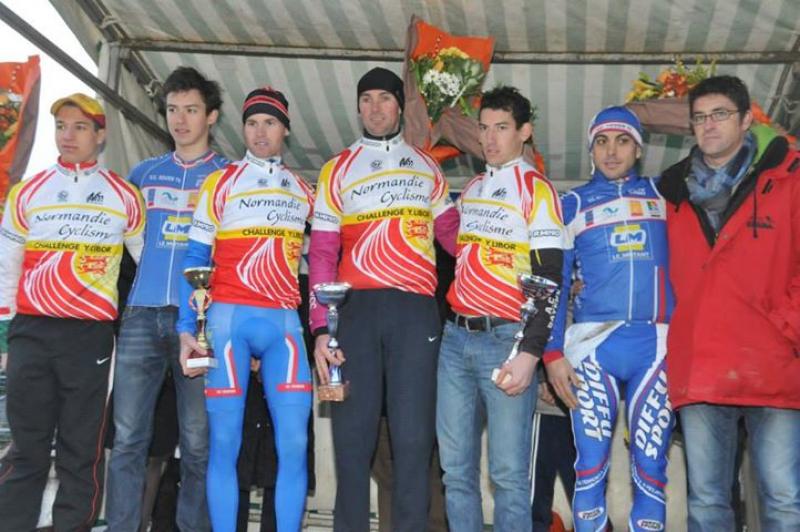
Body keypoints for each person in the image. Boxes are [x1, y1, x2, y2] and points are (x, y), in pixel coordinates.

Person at [309, 66, 459, 531]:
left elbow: (456, 239)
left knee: (414, 440)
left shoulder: (427, 166)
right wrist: (320, 328)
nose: (375, 108)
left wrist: (508, 254)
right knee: (353, 441)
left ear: (400, 106)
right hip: (354, 313)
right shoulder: (336, 168)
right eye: (366, 99)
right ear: (358, 107)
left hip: (415, 313)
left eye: (385, 98)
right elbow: (322, 253)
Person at [657, 75, 800, 531]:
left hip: (773, 361)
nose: (708, 125)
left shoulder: (789, 178)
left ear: (745, 120)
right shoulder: (671, 193)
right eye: (699, 117)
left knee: (783, 500)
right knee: (706, 503)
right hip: (702, 365)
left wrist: (787, 327)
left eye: (719, 114)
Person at [0, 93, 145, 530]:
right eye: (62, 126)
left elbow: (146, 265)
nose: (68, 135)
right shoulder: (27, 191)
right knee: (26, 447)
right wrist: (5, 337)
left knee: (81, 450)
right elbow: (7, 267)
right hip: (31, 330)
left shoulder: (125, 195)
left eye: (80, 127)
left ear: (100, 135)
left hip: (90, 336)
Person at [177, 86, 314, 532]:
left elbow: (324, 252)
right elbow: (194, 259)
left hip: (283, 322)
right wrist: (186, 329)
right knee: (224, 444)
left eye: (270, 122)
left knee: (294, 444)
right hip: (227, 320)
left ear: (285, 130)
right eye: (252, 123)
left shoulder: (303, 190)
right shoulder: (220, 182)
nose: (260, 131)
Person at [436, 85, 568, 532]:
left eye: (502, 128)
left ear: (525, 132)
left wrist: (531, 352)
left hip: (507, 340)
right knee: (456, 472)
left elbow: (549, 276)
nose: (489, 139)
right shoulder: (473, 187)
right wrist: (433, 202)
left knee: (509, 476)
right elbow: (460, 249)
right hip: (455, 340)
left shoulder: (538, 189)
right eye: (484, 128)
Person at [106, 65, 227, 532]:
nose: (180, 119)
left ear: (211, 116)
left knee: (197, 443)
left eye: (191, 110)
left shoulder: (227, 176)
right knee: (128, 440)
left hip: (200, 321)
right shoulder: (142, 174)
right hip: (141, 315)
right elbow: (122, 247)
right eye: (173, 109)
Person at [546, 105, 674, 532]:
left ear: (639, 148)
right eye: (601, 142)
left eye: (622, 141)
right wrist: (552, 353)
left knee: (651, 465)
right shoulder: (571, 203)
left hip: (656, 345)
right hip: (592, 345)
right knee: (590, 463)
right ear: (591, 150)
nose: (611, 151)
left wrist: (649, 109)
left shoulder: (665, 193)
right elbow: (556, 283)